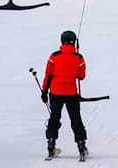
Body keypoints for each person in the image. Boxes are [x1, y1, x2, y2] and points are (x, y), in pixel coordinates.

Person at [41, 30, 89, 159]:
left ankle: (51, 145)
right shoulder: (79, 57)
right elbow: (81, 76)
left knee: (54, 118)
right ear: (74, 42)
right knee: (75, 119)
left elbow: (48, 76)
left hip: (55, 93)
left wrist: (44, 92)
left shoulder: (54, 56)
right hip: (71, 93)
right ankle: (81, 145)